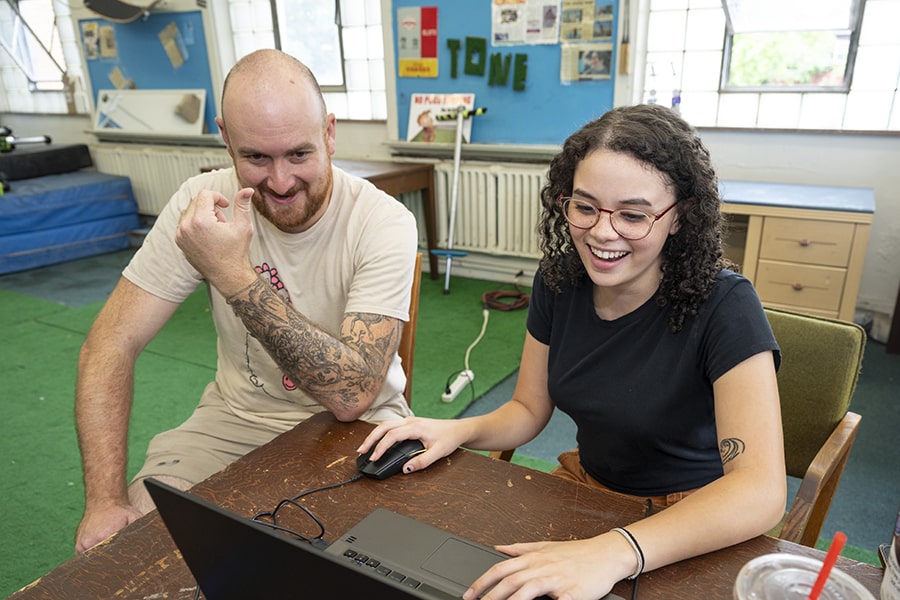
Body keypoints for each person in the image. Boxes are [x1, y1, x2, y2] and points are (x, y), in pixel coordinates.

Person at [358, 103, 786, 600]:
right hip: (588, 488)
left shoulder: (726, 305)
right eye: (585, 207)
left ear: (679, 218)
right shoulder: (560, 280)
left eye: (633, 215)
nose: (603, 233)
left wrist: (614, 551)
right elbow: (528, 408)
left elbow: (760, 491)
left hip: (691, 516)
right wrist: (457, 428)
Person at [74, 49, 419, 553]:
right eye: (256, 158)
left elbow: (353, 396)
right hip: (230, 423)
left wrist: (232, 275)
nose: (280, 182)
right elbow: (109, 344)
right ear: (225, 138)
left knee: (338, 569)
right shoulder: (200, 203)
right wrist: (103, 501)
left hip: (360, 432)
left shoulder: (382, 221)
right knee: (132, 549)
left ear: (329, 132)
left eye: (299, 154)